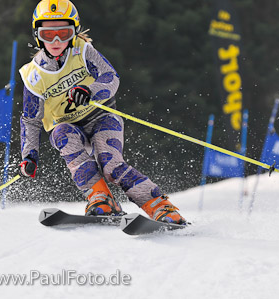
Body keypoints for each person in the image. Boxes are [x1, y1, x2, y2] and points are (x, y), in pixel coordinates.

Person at [18, 0, 186, 224]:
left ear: (75, 32)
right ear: (38, 35)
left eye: (64, 33)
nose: (57, 41)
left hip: (101, 118)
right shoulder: (33, 75)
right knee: (61, 134)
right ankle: (101, 198)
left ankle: (161, 207)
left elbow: (111, 77)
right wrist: (29, 155)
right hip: (70, 127)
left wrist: (90, 90)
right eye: (49, 35)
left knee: (111, 166)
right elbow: (31, 120)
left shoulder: (83, 50)